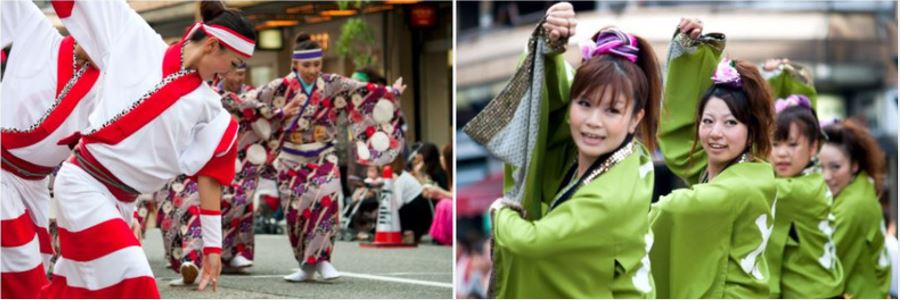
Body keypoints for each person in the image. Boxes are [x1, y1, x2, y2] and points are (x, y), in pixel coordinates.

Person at [44, 0, 256, 297]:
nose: (229, 73)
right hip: (82, 183)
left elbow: (210, 177)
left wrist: (212, 248)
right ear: (211, 46)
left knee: (85, 287)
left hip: (123, 201)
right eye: (233, 63)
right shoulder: (137, 38)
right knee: (135, 275)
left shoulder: (213, 110)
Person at [468, 3, 661, 297]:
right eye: (585, 104)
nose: (593, 122)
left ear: (636, 118)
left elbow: (531, 243)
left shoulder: (610, 194)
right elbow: (551, 98)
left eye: (612, 110)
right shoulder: (615, 157)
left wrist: (501, 213)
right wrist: (550, 44)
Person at [248, 32, 406, 282]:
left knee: (325, 201)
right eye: (307, 65)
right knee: (296, 214)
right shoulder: (279, 87)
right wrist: (280, 112)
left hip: (323, 157)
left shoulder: (332, 84)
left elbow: (362, 91)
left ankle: (322, 260)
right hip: (291, 159)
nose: (313, 70)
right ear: (295, 64)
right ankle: (305, 264)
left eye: (317, 64)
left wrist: (390, 93)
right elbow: (251, 104)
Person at [650, 18, 777, 298]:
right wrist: (690, 53)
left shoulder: (740, 187)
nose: (715, 133)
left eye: (730, 123)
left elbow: (674, 208)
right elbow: (682, 143)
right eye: (707, 121)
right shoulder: (740, 171)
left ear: (751, 130)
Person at [0, 0, 101, 297]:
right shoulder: (36, 31)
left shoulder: (105, 87)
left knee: (41, 260)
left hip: (37, 184)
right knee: (20, 262)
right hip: (2, 171)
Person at [154, 62, 274, 286]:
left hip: (234, 159)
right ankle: (189, 262)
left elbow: (262, 122)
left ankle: (232, 254)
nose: (236, 77)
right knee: (179, 211)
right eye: (232, 71)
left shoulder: (244, 95)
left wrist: (275, 113)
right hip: (178, 157)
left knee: (237, 203)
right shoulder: (197, 90)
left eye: (240, 72)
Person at [760, 59, 844, 298]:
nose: (782, 152)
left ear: (814, 147)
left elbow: (749, 190)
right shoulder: (809, 179)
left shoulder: (799, 190)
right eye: (775, 144)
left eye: (793, 144)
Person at [821, 119, 891, 298]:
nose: (826, 176)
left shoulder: (852, 206)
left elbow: (824, 264)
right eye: (819, 167)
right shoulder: (860, 189)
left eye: (835, 167)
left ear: (854, 165)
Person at [425, 144, 453, 245]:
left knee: (445, 204)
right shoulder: (448, 174)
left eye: (443, 156)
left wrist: (439, 191)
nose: (440, 158)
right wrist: (436, 194)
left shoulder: (446, 174)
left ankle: (445, 236)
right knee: (443, 202)